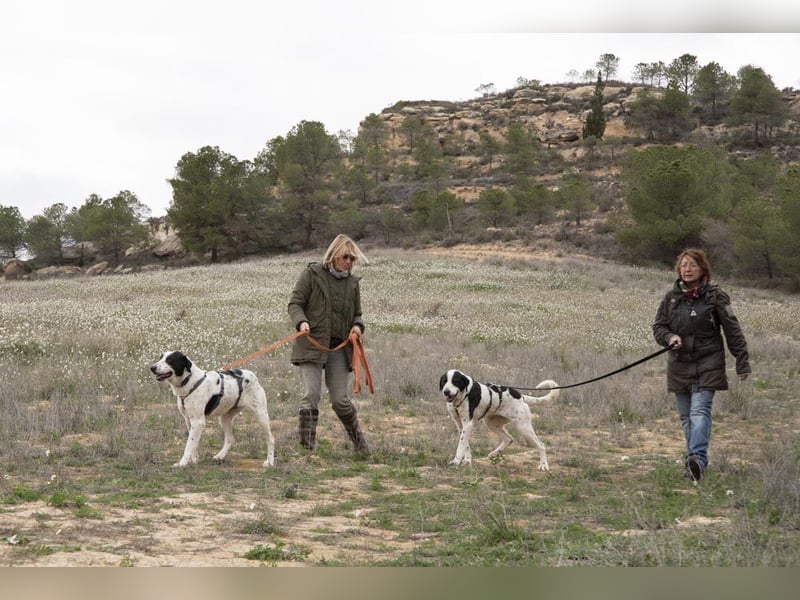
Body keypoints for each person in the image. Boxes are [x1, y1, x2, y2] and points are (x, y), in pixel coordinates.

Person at [652, 248, 750, 482]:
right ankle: (694, 465)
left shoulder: (716, 296)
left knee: (699, 412)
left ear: (702, 268)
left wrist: (742, 361)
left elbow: (733, 330)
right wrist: (669, 337)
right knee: (686, 418)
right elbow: (659, 327)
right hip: (679, 365)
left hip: (708, 363)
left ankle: (696, 458)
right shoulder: (671, 298)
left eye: (692, 265)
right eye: (683, 265)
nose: (687, 269)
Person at [288, 234, 370, 456]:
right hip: (311, 345)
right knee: (311, 395)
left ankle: (361, 447)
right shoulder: (312, 274)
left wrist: (357, 328)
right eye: (345, 257)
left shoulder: (353, 284)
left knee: (340, 400)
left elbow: (358, 315)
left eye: (352, 259)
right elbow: (295, 303)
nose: (348, 262)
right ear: (333, 255)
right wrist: (301, 322)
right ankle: (307, 452)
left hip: (339, 349)